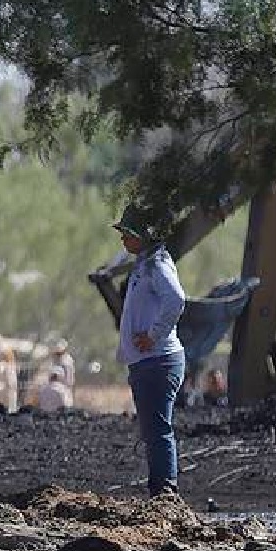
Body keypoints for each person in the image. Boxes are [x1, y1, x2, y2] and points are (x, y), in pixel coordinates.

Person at [113, 204, 187, 497]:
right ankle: (160, 489)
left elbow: (176, 299)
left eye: (127, 233)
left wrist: (154, 335)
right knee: (153, 429)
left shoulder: (157, 263)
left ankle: (165, 492)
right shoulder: (145, 264)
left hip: (159, 360)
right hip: (147, 362)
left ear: (142, 235)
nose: (123, 239)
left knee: (157, 429)